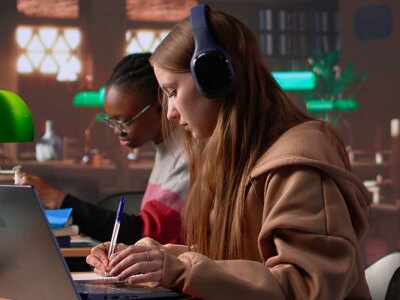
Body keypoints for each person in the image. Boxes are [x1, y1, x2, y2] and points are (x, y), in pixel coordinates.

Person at [86, 5, 371, 299]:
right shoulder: (233, 157)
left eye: (172, 92)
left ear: (214, 78)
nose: (169, 112)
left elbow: (306, 286)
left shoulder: (299, 164)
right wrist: (148, 255)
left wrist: (181, 270)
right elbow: (229, 258)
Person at [18, 53, 189, 245]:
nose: (117, 130)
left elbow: (145, 235)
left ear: (160, 107)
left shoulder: (185, 158)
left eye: (124, 121)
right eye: (112, 121)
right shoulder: (165, 150)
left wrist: (59, 200)